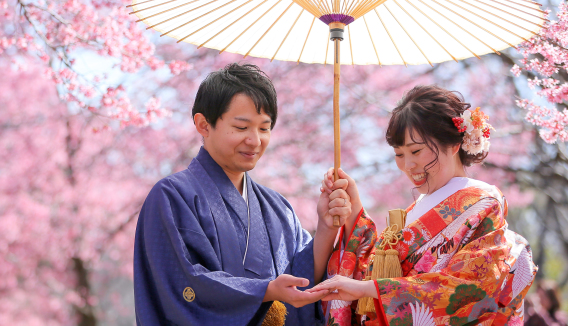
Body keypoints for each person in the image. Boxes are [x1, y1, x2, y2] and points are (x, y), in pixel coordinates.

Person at [133, 63, 353, 325]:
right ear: (204, 124)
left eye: (264, 128)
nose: (255, 140)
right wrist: (265, 291)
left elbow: (301, 279)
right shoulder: (172, 196)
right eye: (241, 127)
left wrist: (326, 227)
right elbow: (184, 285)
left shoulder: (277, 207)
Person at [309, 85, 538, 325]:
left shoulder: (483, 203)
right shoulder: (416, 208)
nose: (408, 165)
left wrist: (372, 290)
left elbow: (472, 288)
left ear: (453, 145)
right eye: (399, 154)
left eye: (416, 151)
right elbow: (375, 271)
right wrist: (353, 208)